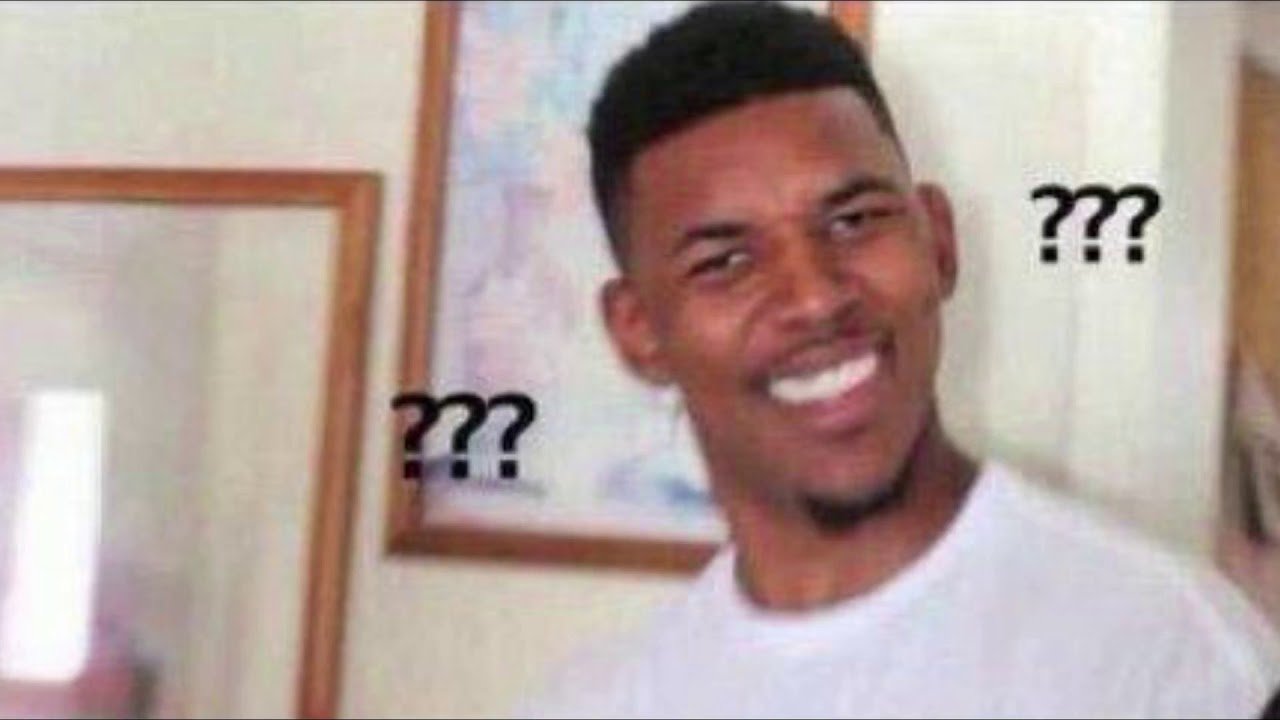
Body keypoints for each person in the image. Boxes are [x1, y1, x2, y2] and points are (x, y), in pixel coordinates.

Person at [521, 2, 1280, 717]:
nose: (816, 298)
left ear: (938, 242)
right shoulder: (597, 702)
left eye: (854, 221)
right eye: (726, 262)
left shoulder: (1168, 656)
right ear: (638, 331)